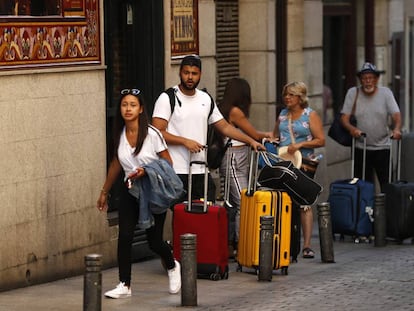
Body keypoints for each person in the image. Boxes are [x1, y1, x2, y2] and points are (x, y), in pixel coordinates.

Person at [97, 88, 182, 298]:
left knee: (154, 241)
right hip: (129, 190)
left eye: (133, 105)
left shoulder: (152, 134)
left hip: (153, 191)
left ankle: (172, 265)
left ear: (141, 109)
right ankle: (124, 284)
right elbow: (116, 164)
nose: (128, 109)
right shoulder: (119, 134)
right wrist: (104, 191)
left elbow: (167, 162)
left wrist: (147, 171)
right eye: (124, 104)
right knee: (124, 236)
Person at [152, 55, 265, 202]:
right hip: (176, 170)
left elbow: (224, 126)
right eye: (186, 73)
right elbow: (156, 132)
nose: (190, 77)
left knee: (204, 217)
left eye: (194, 73)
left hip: (201, 169)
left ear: (200, 74)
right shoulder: (167, 98)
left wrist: (251, 141)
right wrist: (184, 141)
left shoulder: (205, 98)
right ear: (180, 73)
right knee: (183, 217)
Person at [218, 77, 272, 257]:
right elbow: (253, 134)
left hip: (240, 156)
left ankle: (230, 245)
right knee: (244, 202)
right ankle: (244, 245)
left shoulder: (228, 110)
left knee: (234, 205)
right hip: (233, 157)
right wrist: (267, 135)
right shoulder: (235, 112)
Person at [273, 81, 325, 259]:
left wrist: (301, 144)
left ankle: (307, 245)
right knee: (285, 201)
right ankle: (287, 240)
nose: (287, 98)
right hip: (284, 163)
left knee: (304, 203)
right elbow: (275, 136)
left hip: (303, 163)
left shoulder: (310, 115)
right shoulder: (282, 115)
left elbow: (321, 140)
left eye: (291, 95)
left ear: (300, 97)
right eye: (286, 94)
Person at [341, 62, 402, 191]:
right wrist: (353, 129)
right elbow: (344, 119)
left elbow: (396, 114)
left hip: (383, 147)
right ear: (360, 80)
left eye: (370, 78)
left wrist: (396, 129)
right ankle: (366, 210)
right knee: (363, 186)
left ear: (376, 79)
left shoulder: (386, 93)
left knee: (388, 185)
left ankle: (388, 210)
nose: (368, 81)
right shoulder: (353, 93)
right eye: (364, 78)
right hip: (361, 147)